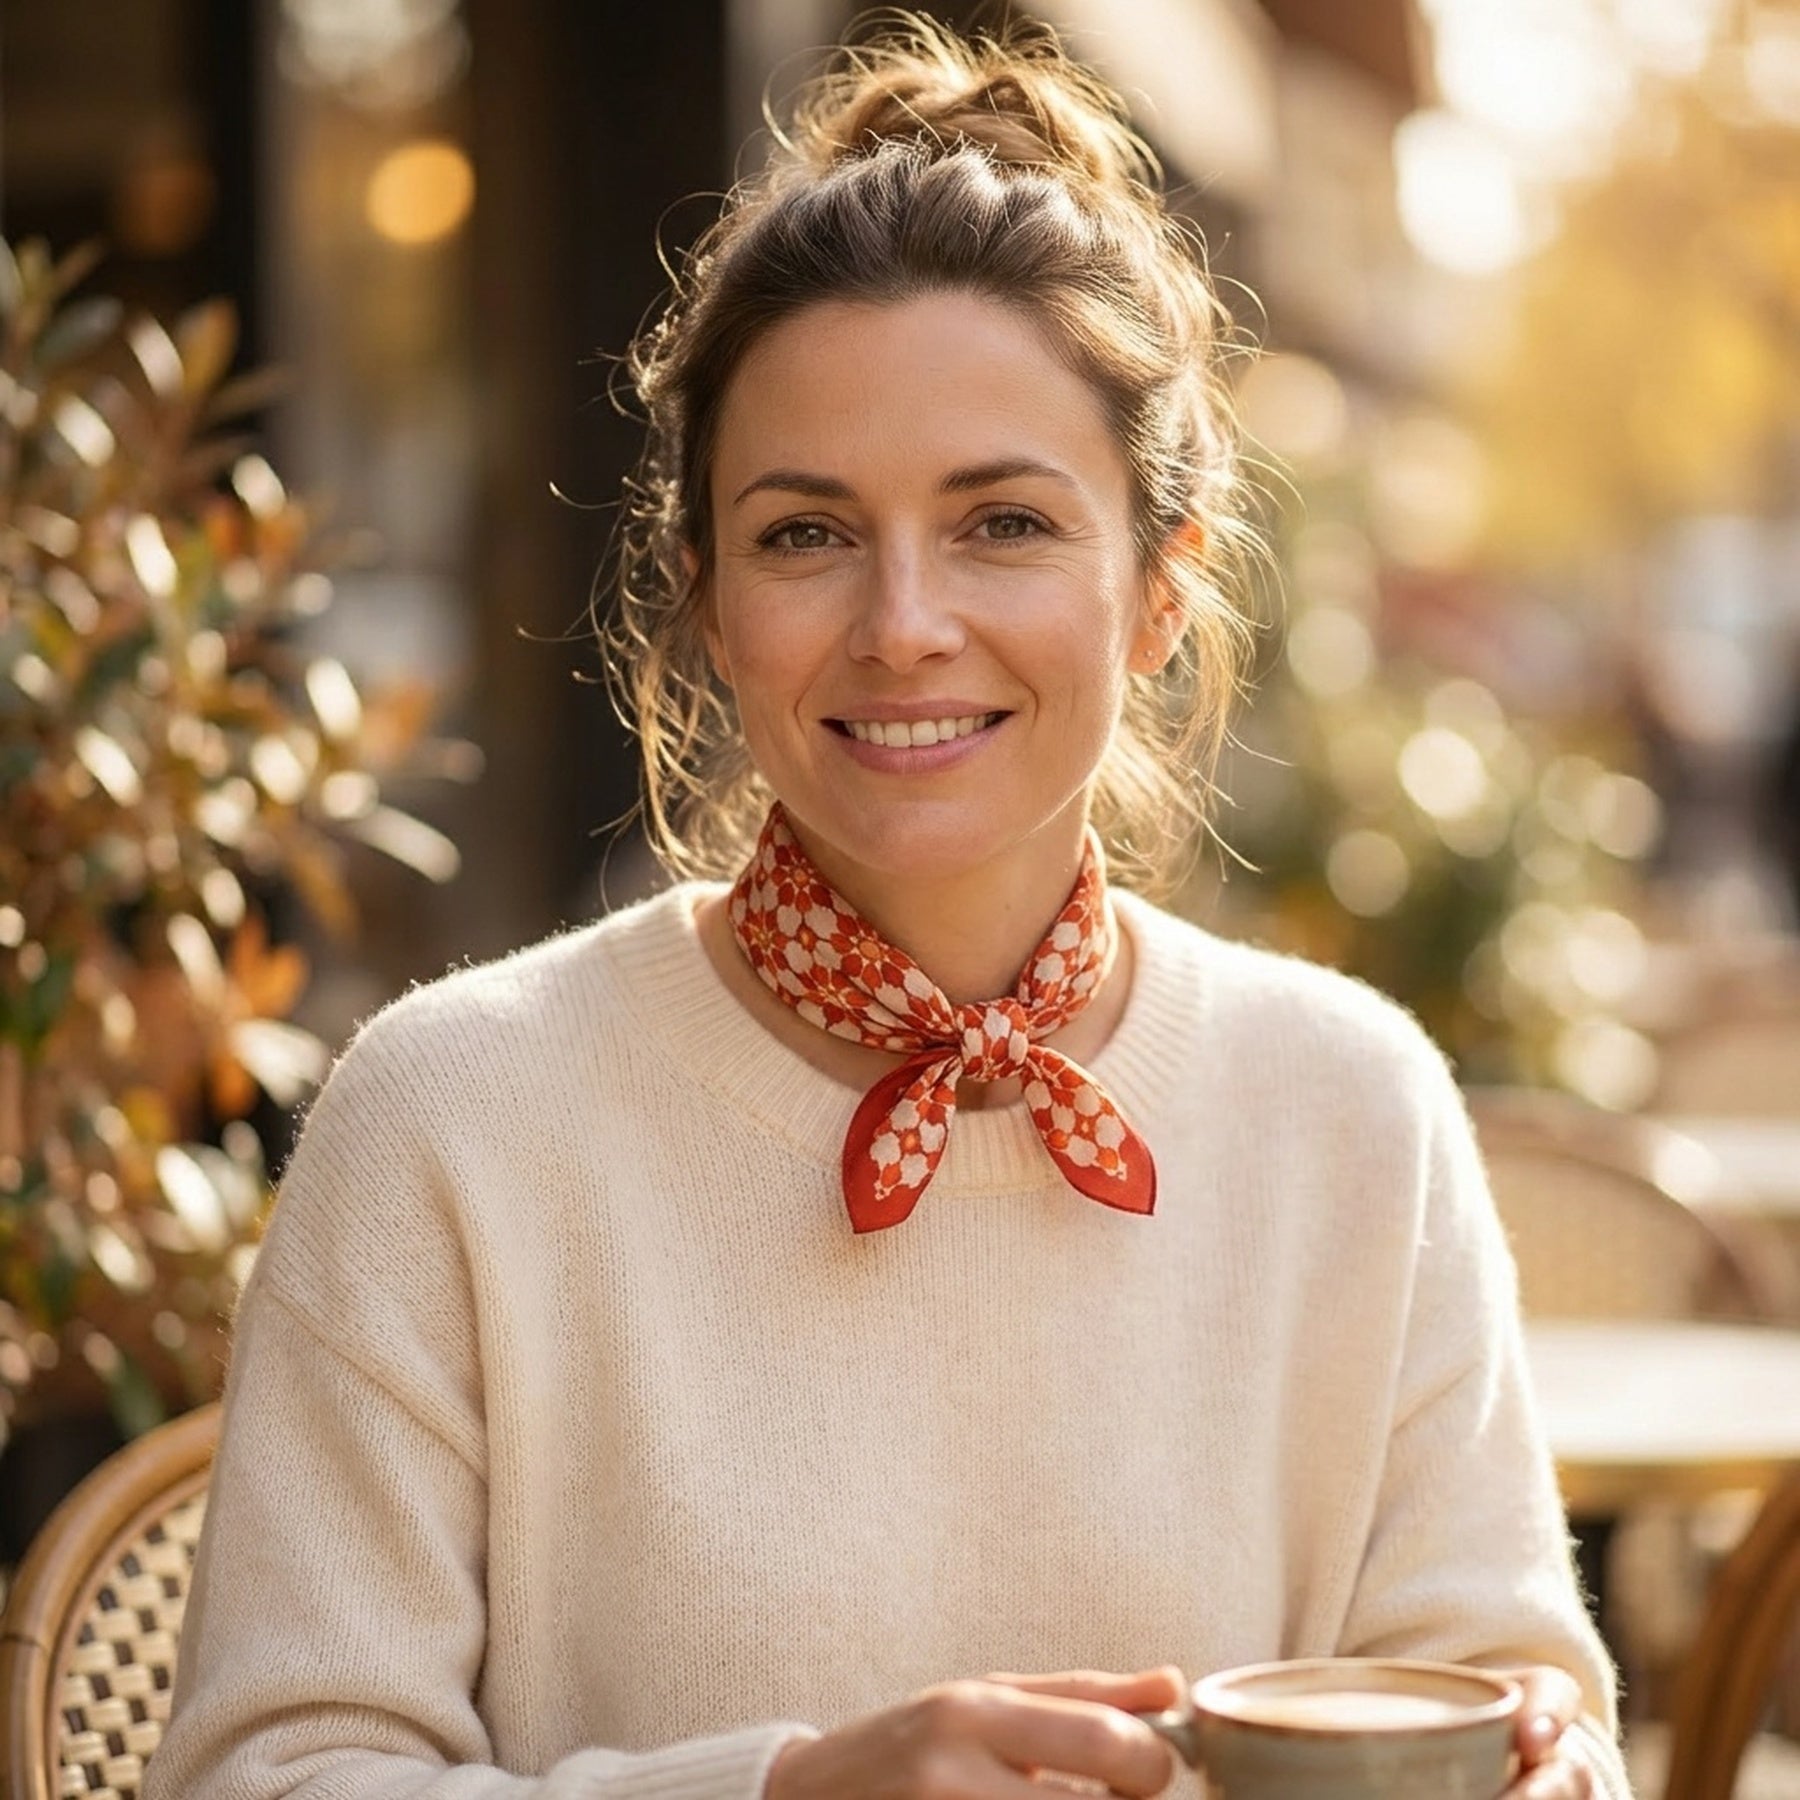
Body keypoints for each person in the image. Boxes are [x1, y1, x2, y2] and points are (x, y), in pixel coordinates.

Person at [148, 17, 1630, 1800]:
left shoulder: (1352, 1107)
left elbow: (1525, 1705)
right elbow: (265, 1778)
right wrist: (781, 1795)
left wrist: (1545, 1767)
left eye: (1003, 523)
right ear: (705, 604)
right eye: (804, 533)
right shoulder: (453, 1119)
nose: (904, 622)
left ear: (1158, 589)